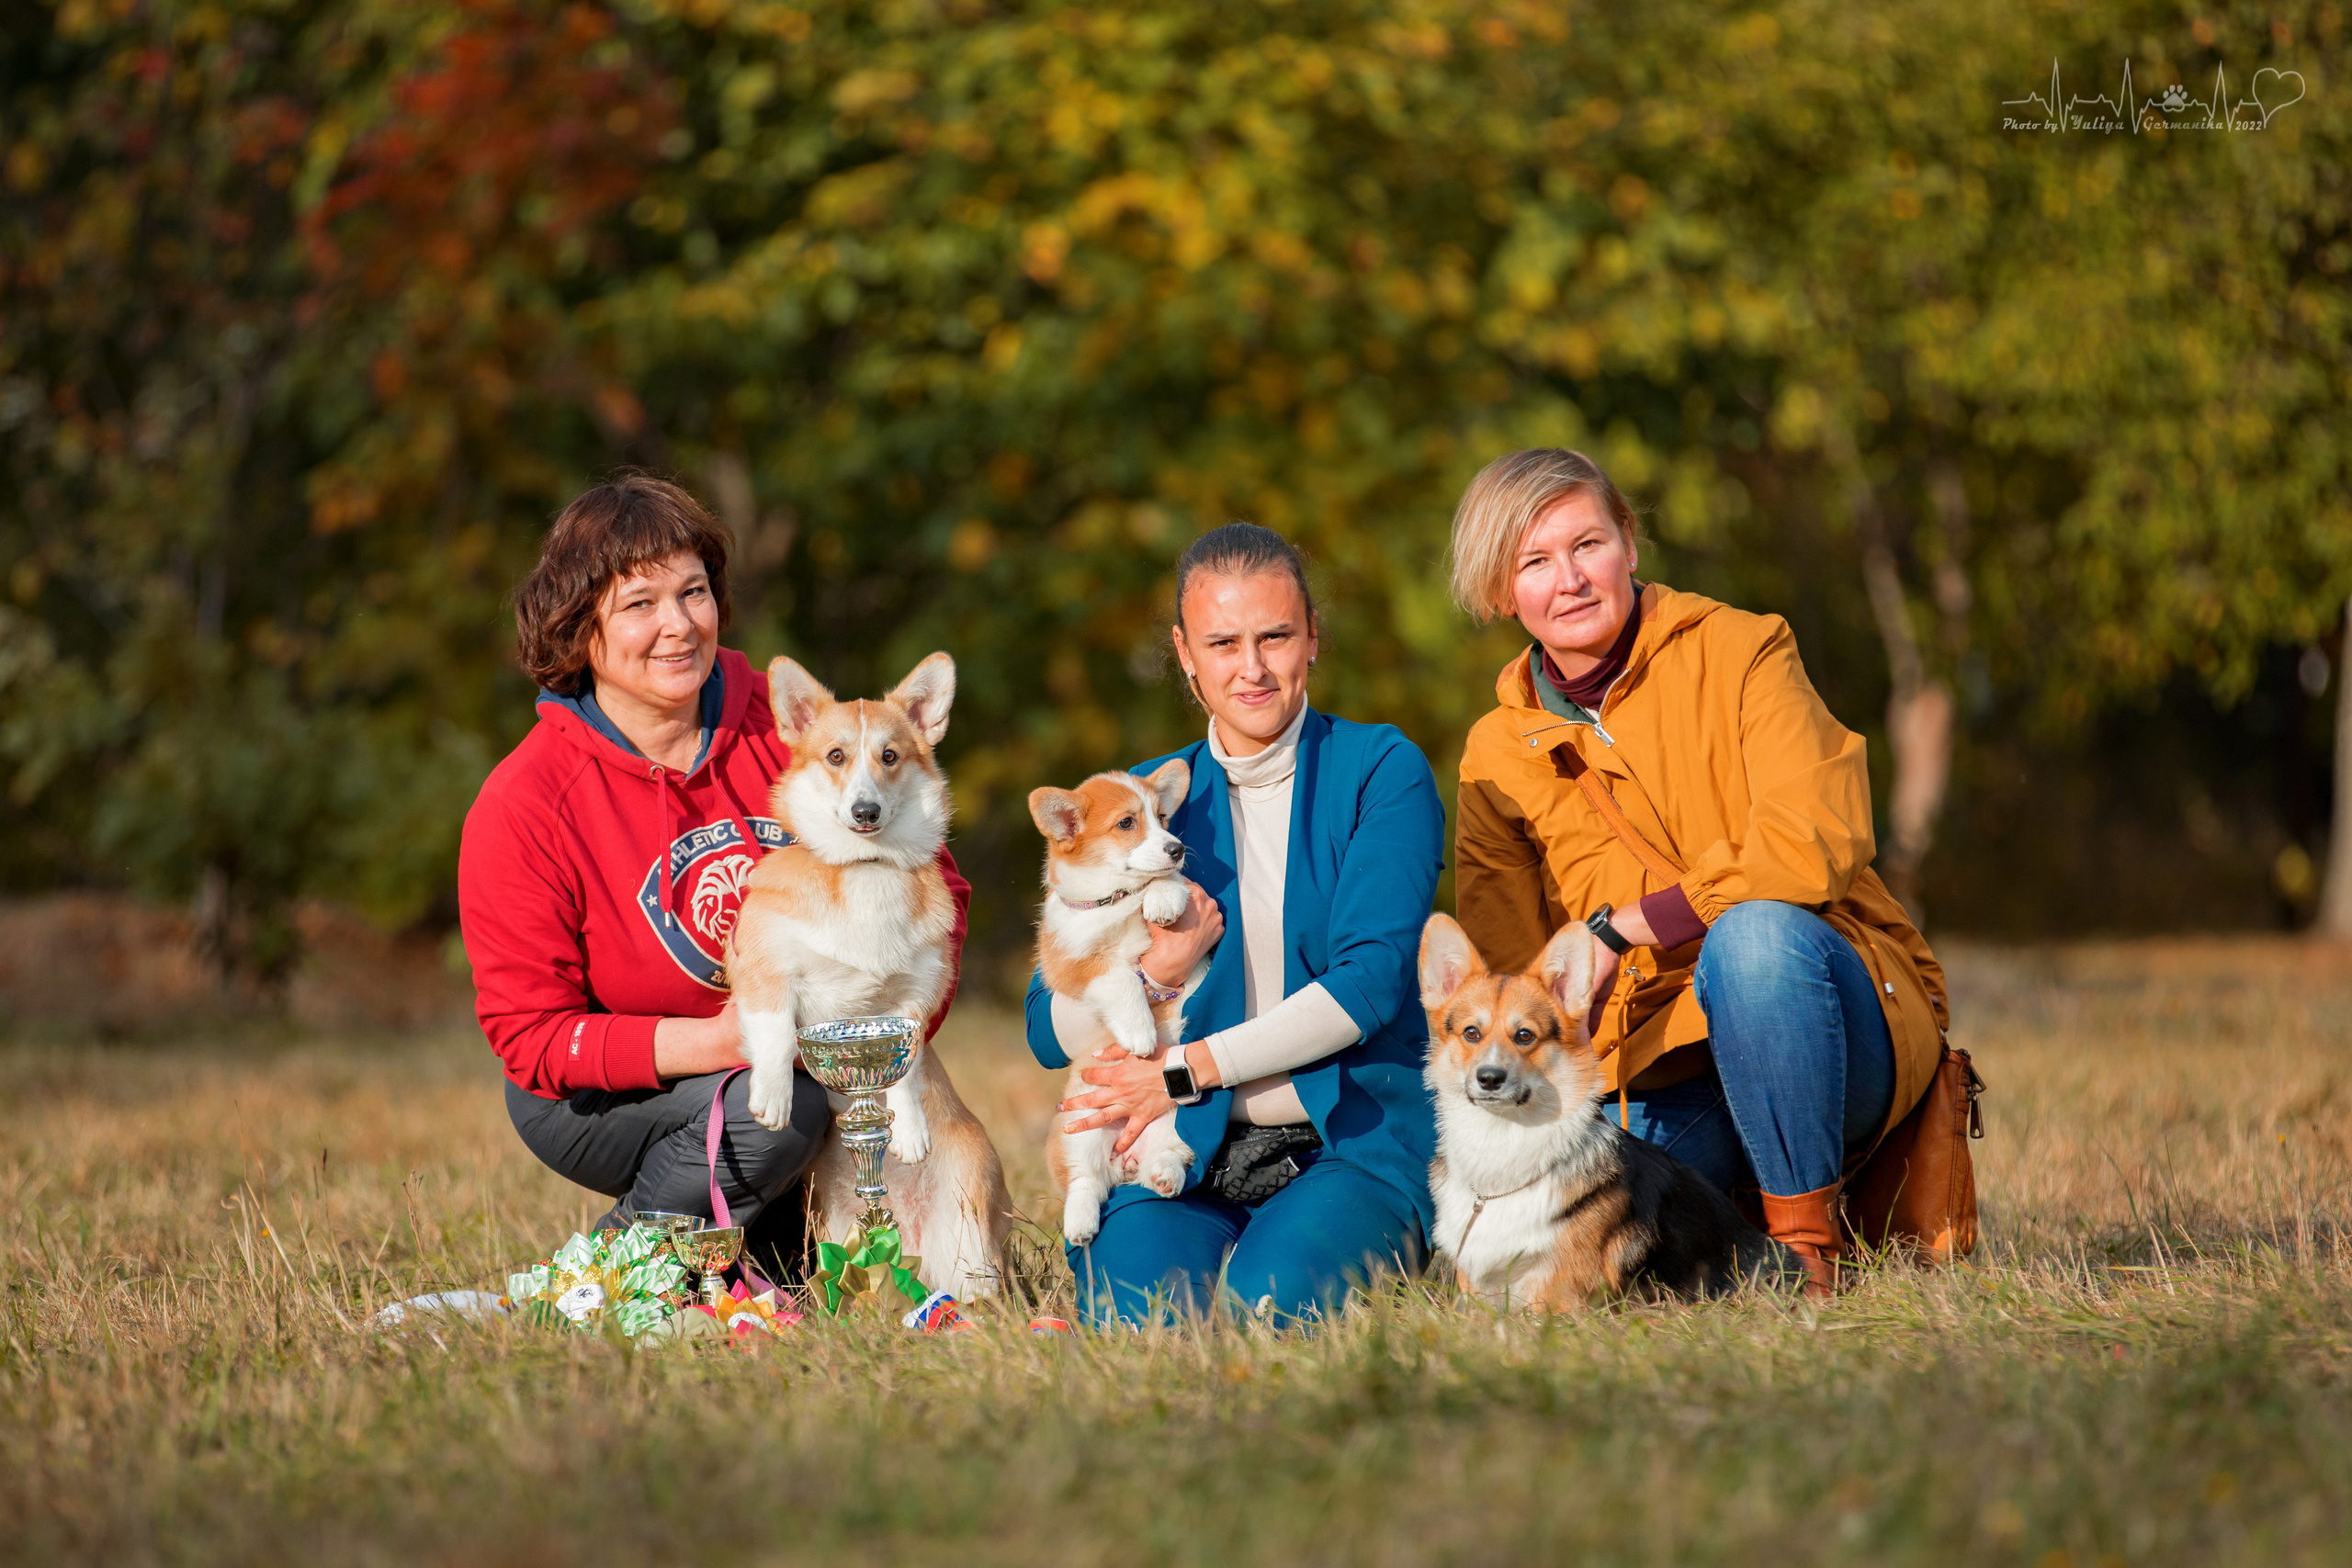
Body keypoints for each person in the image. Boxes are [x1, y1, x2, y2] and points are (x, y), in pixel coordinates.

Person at [1447, 448, 1948, 1293]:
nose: (1568, 579)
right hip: (1659, 1068)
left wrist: (1628, 926)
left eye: (1587, 545)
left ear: (1629, 546)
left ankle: (1806, 1256)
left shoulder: (1744, 649)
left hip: (1826, 1012)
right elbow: (1509, 980)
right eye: (1535, 562)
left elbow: (1815, 838)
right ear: (1504, 594)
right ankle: (1747, 1211)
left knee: (1751, 940)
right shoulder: (1496, 752)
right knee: (1599, 1210)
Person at [458, 473, 970, 1272]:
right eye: (640, 604)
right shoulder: (525, 801)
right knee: (781, 1112)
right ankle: (602, 1279)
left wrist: (870, 1037)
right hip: (606, 1094)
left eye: (693, 591)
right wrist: (720, 1041)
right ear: (576, 626)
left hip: (799, 1069)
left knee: (785, 1261)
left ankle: (746, 1257)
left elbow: (938, 893)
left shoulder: (793, 726)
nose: (678, 625)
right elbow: (532, 1037)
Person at [1026, 524, 1445, 1326]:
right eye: (1223, 642)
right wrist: (1152, 974)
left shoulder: (1381, 770)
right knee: (1140, 1318)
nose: (1251, 668)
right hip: (1180, 1150)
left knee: (1270, 1309)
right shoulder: (1154, 803)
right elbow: (1047, 1029)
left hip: (1345, 1141)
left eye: (1275, 636)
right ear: (1186, 654)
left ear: (1313, 637)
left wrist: (1185, 1069)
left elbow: (1369, 983)